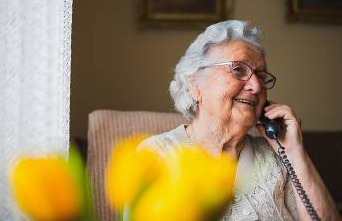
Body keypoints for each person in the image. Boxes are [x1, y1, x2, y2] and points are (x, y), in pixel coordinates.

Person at [139, 20, 341, 220]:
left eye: (261, 76)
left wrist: (295, 152)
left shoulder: (278, 156)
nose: (256, 86)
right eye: (238, 69)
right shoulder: (155, 156)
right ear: (195, 85)